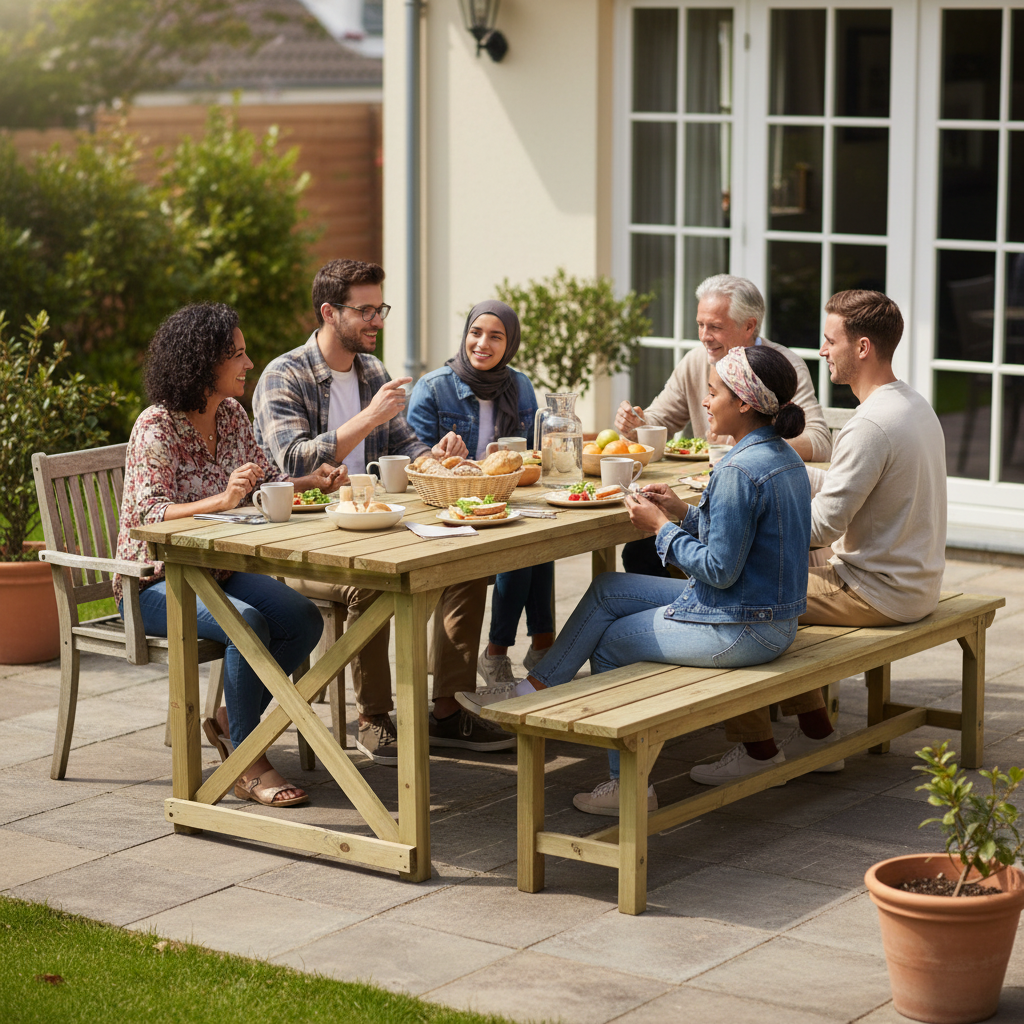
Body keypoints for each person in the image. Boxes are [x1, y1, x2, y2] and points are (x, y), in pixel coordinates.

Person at [459, 345, 812, 815]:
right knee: (610, 588)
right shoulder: (780, 456)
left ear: (744, 403)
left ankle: (628, 790)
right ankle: (530, 692)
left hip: (744, 628)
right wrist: (681, 510)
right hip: (768, 617)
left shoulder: (737, 469)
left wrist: (658, 529)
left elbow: (719, 571)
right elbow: (742, 542)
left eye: (713, 393)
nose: (706, 403)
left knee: (611, 644)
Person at [253, 259, 513, 763]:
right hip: (305, 539)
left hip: (375, 519)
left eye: (380, 309)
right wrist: (368, 417)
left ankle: (447, 710)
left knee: (466, 560)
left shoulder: (372, 371)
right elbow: (288, 461)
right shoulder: (285, 374)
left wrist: (435, 457)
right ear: (329, 312)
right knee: (370, 582)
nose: (376, 320)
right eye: (364, 310)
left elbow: (405, 444)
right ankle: (373, 716)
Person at [693, 290, 947, 785]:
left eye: (831, 341)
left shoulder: (870, 423)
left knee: (732, 596)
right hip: (912, 582)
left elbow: (816, 530)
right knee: (763, 585)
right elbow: (845, 486)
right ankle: (816, 733)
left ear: (864, 347)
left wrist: (741, 509)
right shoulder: (910, 404)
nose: (823, 351)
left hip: (876, 592)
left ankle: (758, 750)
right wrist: (779, 473)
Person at [114, 303, 345, 808]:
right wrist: (221, 500)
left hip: (217, 570)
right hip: (154, 581)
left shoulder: (233, 415)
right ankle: (246, 761)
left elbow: (264, 480)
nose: (248, 363)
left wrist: (312, 480)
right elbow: (148, 513)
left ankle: (226, 721)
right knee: (249, 626)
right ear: (203, 363)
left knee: (303, 620)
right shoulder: (157, 426)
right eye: (236, 355)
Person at [615, 274, 831, 578]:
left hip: (763, 519)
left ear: (749, 326)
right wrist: (636, 425)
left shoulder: (780, 366)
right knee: (640, 551)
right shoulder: (695, 361)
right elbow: (659, 420)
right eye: (700, 324)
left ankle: (676, 615)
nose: (704, 336)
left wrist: (746, 445)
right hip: (712, 499)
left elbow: (820, 440)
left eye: (715, 326)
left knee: (642, 557)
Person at [407, 300, 555, 689]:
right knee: (521, 546)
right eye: (476, 333)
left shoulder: (520, 386)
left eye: (496, 336)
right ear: (465, 335)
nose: (482, 344)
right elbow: (415, 458)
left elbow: (530, 455)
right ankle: (499, 651)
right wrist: (437, 453)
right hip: (446, 509)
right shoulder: (433, 388)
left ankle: (540, 647)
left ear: (511, 344)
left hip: (502, 499)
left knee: (542, 536)